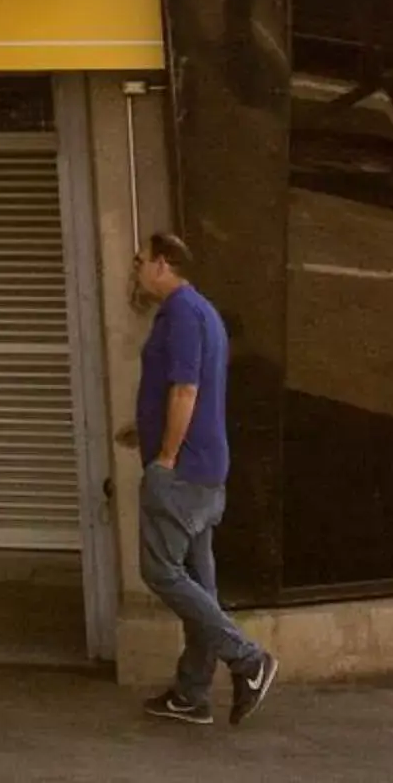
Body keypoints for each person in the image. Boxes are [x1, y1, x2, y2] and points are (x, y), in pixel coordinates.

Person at [121, 232, 278, 728]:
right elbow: (192, 390)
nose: (138, 269)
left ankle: (248, 659)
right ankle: (192, 692)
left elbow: (186, 388)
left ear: (164, 265)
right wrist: (142, 428)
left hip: (183, 473)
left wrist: (165, 455)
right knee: (200, 587)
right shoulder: (204, 312)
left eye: (142, 261)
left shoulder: (182, 314)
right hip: (205, 468)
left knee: (161, 572)